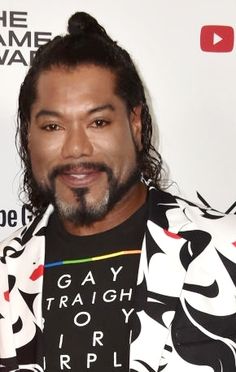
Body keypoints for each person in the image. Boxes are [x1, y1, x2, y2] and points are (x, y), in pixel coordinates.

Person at [0, 11, 236, 372]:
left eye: (98, 122)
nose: (75, 148)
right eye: (52, 125)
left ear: (136, 124)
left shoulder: (223, 251)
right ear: (28, 137)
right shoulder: (6, 271)